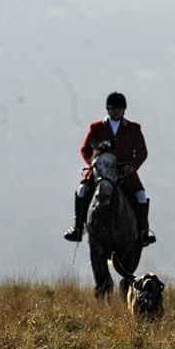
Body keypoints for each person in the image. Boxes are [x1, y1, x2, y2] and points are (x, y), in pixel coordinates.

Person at [63, 91, 156, 246]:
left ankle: (143, 231)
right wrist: (94, 163)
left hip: (124, 173)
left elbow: (142, 153)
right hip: (101, 172)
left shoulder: (133, 128)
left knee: (141, 195)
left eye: (119, 109)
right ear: (108, 109)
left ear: (124, 110)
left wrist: (131, 167)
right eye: (113, 109)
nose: (116, 111)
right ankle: (78, 228)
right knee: (82, 190)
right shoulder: (97, 127)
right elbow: (85, 150)